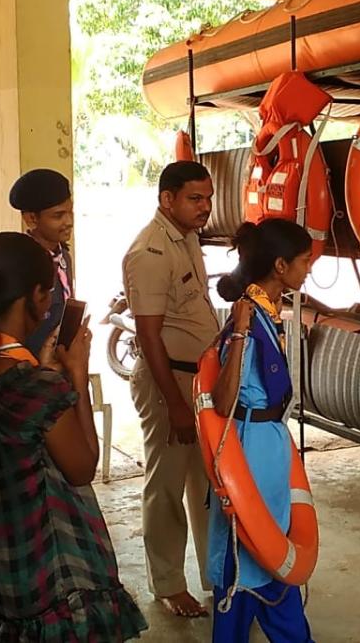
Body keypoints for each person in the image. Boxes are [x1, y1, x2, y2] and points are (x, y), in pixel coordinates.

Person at [0, 232, 146, 641]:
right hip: (51, 573)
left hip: (1, 566)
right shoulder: (36, 385)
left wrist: (49, 371)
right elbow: (82, 467)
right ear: (37, 297)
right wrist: (75, 376)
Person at [209, 219, 314, 643]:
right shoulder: (248, 319)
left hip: (269, 442)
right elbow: (222, 400)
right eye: (304, 261)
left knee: (271, 538)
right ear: (280, 265)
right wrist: (238, 332)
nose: (308, 270)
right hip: (248, 444)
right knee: (253, 543)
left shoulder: (269, 311)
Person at [121, 160, 218, 617]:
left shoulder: (188, 237)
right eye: (195, 199)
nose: (206, 207)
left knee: (207, 482)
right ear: (168, 199)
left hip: (199, 378)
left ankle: (214, 573)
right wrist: (176, 404)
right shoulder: (151, 251)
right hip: (170, 381)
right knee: (166, 484)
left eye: (208, 198)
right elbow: (148, 335)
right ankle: (167, 582)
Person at [9, 168, 75, 355]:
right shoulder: (21, 264)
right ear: (31, 218)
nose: (69, 221)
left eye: (70, 212)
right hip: (30, 366)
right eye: (58, 215)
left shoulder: (63, 257)